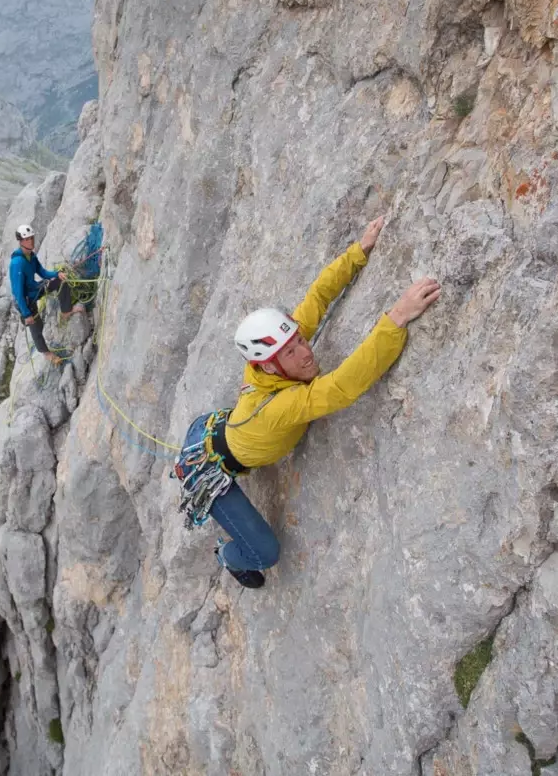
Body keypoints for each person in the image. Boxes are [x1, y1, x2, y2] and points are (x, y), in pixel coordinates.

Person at [174, 216, 441, 589]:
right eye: (292, 350)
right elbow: (342, 386)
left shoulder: (277, 359)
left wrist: (360, 250)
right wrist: (397, 317)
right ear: (268, 364)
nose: (305, 353)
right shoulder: (280, 407)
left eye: (300, 341)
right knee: (265, 554)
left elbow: (317, 298)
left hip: (212, 429)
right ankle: (226, 556)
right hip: (210, 468)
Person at [8, 223, 83, 365]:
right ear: (21, 241)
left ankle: (66, 311)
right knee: (36, 327)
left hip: (35, 290)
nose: (31, 241)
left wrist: (57, 274)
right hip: (25, 300)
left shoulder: (31, 256)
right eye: (27, 239)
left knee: (60, 281)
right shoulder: (17, 263)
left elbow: (42, 272)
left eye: (32, 238)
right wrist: (26, 314)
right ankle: (46, 353)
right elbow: (18, 292)